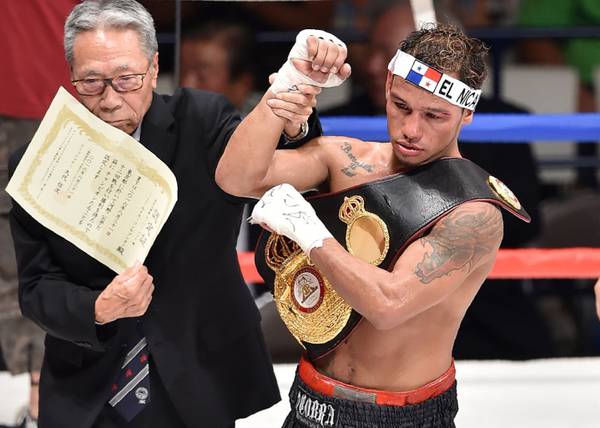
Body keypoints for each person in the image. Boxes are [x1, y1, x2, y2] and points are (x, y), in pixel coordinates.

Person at [7, 1, 335, 427]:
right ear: (71, 75)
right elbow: (36, 288)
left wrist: (292, 123)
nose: (110, 100)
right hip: (89, 386)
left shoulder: (203, 119)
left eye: (127, 79)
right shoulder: (37, 162)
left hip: (201, 371)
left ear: (154, 66)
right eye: (90, 83)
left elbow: (268, 164)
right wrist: (97, 308)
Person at [216, 24, 532, 426]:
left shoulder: (473, 215)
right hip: (311, 401)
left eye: (434, 115)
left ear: (466, 113)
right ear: (387, 88)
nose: (411, 129)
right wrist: (290, 86)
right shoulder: (346, 159)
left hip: (405, 416)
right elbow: (236, 178)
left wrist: (308, 231)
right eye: (401, 106)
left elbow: (388, 304)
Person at [0, 2, 79, 427]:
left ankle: (42, 397)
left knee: (32, 248)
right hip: (51, 84)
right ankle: (42, 396)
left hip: (42, 86)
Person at [180, 22, 259, 115]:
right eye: (181, 72)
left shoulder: (268, 119)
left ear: (242, 86)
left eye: (202, 77)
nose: (186, 85)